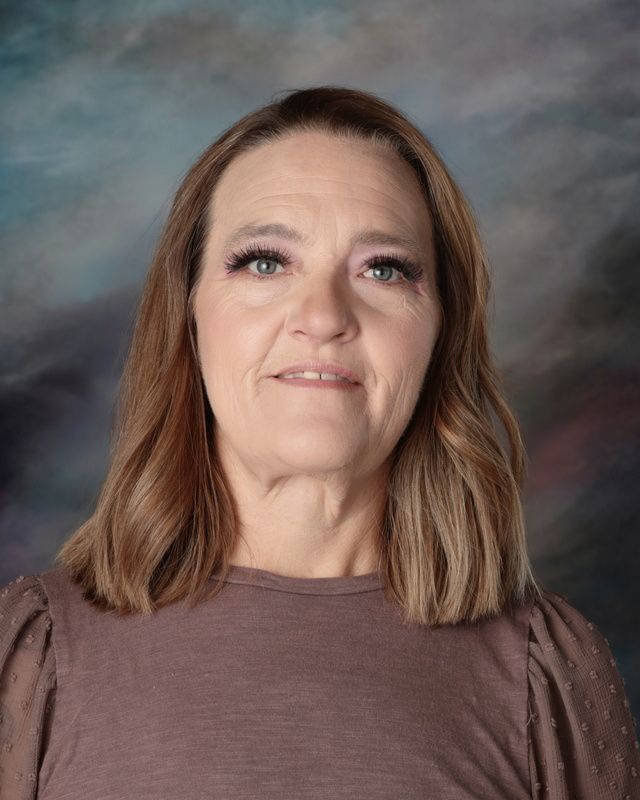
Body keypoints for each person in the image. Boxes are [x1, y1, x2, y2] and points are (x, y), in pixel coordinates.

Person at [1, 85, 638, 799]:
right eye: (266, 261)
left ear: (439, 332)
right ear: (189, 314)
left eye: (382, 268)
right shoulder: (29, 652)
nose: (324, 315)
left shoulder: (548, 669)